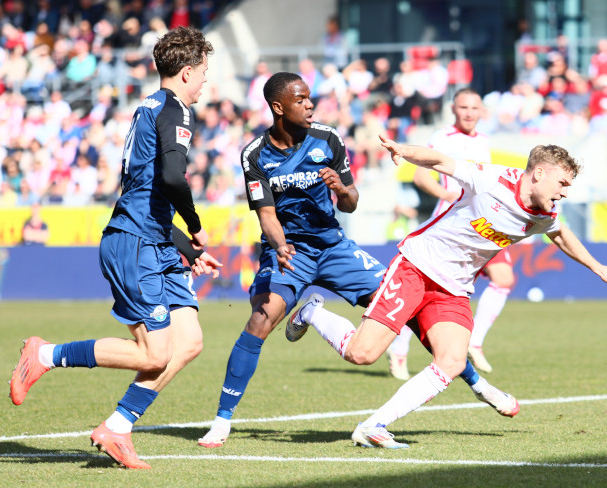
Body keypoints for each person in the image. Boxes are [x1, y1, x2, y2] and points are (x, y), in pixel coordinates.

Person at [197, 73, 514, 448]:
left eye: (310, 97)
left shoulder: (328, 139)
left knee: (410, 309)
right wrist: (280, 245)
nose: (310, 104)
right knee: (261, 318)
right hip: (289, 250)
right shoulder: (254, 154)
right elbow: (266, 214)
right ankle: (221, 421)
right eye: (300, 100)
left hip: (334, 248)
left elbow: (351, 201)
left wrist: (341, 189)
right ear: (278, 108)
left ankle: (479, 385)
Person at [295, 137, 607, 449]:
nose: (565, 192)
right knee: (362, 354)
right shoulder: (493, 179)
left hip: (454, 290)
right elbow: (442, 161)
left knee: (452, 360)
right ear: (538, 174)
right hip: (416, 267)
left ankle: (373, 426)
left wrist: (599, 267)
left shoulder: (546, 212)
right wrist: (404, 151)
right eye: (562, 183)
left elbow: (560, 234)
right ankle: (312, 311)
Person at [9, 27, 221, 469]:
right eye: (203, 71)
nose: (206, 81)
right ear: (186, 73)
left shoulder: (150, 107)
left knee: (188, 342)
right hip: (136, 242)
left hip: (155, 239)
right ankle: (44, 354)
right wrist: (197, 229)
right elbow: (172, 180)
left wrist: (188, 248)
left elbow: (149, 190)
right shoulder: (176, 110)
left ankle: (117, 428)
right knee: (154, 353)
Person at [386, 88, 515, 379]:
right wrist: (447, 193)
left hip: (481, 223)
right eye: (463, 107)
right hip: (452, 222)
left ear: (482, 111)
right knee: (425, 289)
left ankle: (476, 342)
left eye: (475, 108)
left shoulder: (484, 140)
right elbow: (420, 174)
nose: (469, 113)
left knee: (504, 278)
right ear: (454, 110)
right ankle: (399, 347)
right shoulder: (443, 138)